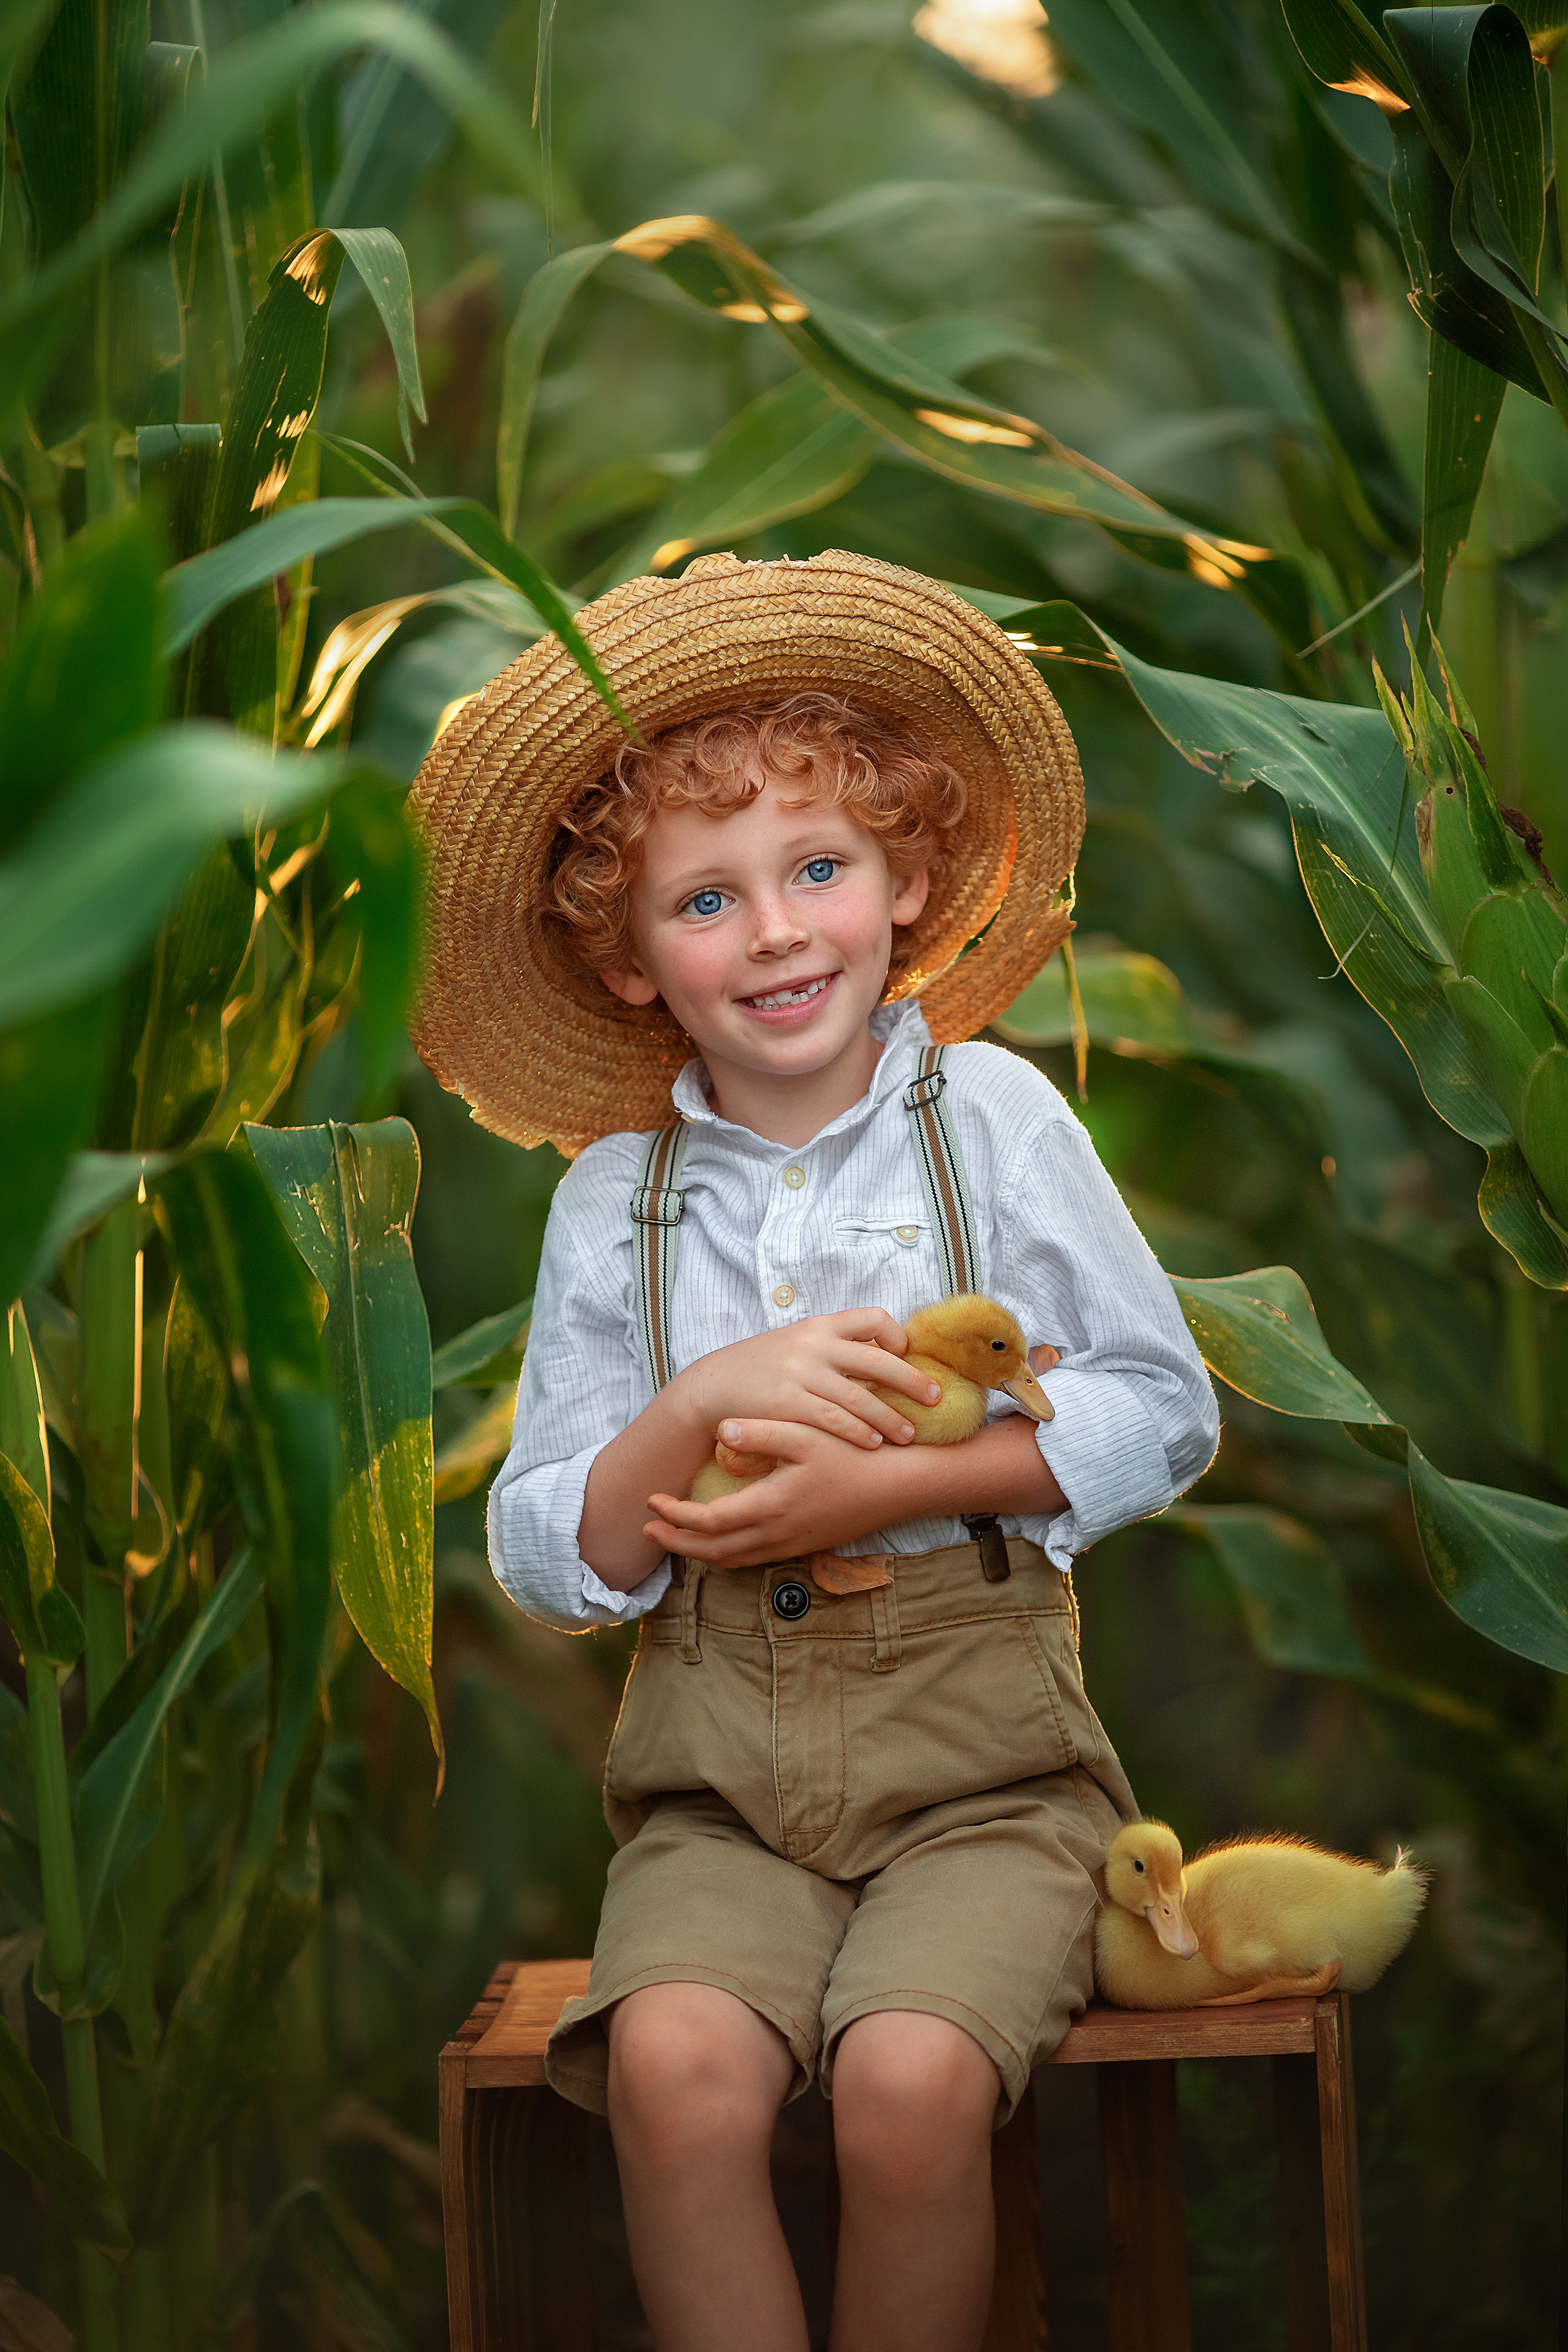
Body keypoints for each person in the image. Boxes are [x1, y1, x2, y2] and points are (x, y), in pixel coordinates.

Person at [409, 550, 1219, 2352]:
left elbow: (1162, 1407)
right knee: (677, 2077)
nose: (775, 931)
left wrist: (896, 1486)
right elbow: (549, 1550)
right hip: (720, 1785)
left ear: (906, 883)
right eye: (705, 900)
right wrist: (699, 1407)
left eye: (820, 868)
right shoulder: (617, 1203)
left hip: (984, 1775)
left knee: (909, 2084)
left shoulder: (989, 1122)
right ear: (627, 963)